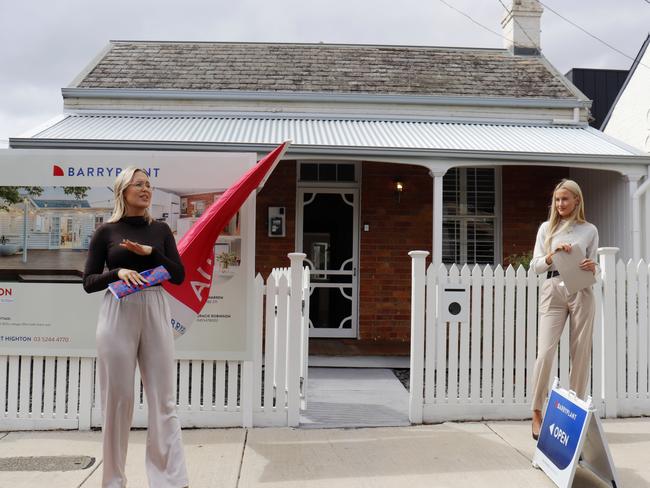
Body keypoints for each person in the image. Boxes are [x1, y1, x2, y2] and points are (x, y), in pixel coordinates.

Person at [83, 167, 189, 488]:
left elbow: (179, 275)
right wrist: (117, 273)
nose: (146, 189)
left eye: (149, 185)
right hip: (118, 310)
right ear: (123, 191)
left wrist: (152, 253)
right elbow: (88, 282)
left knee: (163, 399)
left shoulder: (161, 231)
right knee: (118, 399)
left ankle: (170, 480)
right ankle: (113, 480)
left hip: (155, 306)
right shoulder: (106, 232)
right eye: (139, 184)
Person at [529, 179, 598, 440]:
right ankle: (537, 411)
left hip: (581, 288)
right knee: (545, 353)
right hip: (553, 289)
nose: (560, 204)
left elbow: (594, 265)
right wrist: (551, 255)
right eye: (557, 200)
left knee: (580, 355)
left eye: (565, 199)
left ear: (577, 201)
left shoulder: (589, 229)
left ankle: (574, 414)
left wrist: (595, 267)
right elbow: (536, 266)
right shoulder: (546, 229)